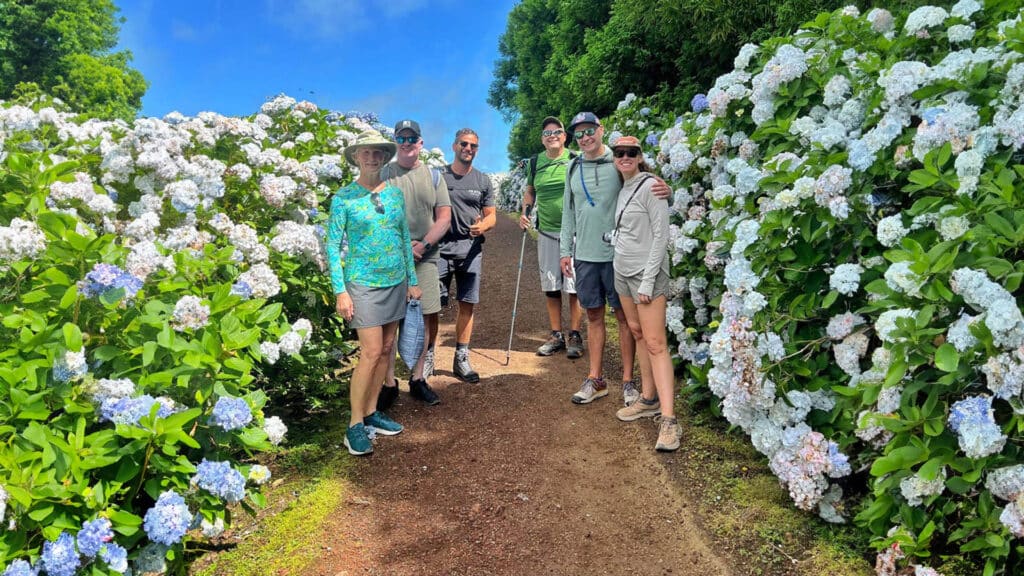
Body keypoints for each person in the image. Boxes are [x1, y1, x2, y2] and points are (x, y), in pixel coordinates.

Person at [559, 112, 671, 406]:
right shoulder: (573, 167)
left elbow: (645, 185)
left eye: (590, 131)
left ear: (601, 130)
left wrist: (667, 191)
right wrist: (564, 251)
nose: (585, 138)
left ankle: (628, 381)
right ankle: (596, 379)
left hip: (618, 257)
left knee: (624, 319)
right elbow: (568, 213)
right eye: (579, 133)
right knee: (593, 315)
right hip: (584, 255)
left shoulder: (618, 160)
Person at [327, 129, 421, 456]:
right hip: (362, 283)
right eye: (365, 153)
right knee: (369, 352)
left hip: (395, 281)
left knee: (386, 349)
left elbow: (403, 239)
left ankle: (371, 413)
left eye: (378, 153)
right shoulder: (344, 198)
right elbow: (332, 246)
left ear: (384, 157)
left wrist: (412, 280)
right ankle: (354, 424)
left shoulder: (395, 195)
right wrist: (341, 291)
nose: (372, 158)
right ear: (356, 157)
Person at [606, 136, 682, 452]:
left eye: (630, 153)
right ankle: (648, 398)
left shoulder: (651, 185)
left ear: (640, 156)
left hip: (646, 275)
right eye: (619, 152)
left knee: (655, 343)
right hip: (622, 273)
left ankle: (669, 421)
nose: (624, 157)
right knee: (637, 334)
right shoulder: (622, 187)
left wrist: (649, 282)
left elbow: (661, 237)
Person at [377, 119, 452, 408]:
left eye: (412, 139)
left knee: (423, 317)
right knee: (389, 322)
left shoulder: (434, 176)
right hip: (392, 258)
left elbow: (443, 217)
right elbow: (376, 215)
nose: (407, 144)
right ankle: (389, 383)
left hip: (426, 256)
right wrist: (401, 247)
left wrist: (423, 245)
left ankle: (418, 378)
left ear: (420, 143)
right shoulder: (384, 174)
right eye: (402, 139)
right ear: (396, 142)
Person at [518, 116, 584, 359]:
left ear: (565, 136)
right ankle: (556, 334)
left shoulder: (576, 159)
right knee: (551, 284)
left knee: (574, 284)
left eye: (557, 131)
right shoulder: (535, 163)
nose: (552, 135)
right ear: (542, 140)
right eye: (547, 133)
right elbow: (530, 191)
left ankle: (575, 334)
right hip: (546, 230)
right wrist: (525, 213)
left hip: (575, 233)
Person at [438, 128, 496, 383]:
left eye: (473, 146)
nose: (468, 149)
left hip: (470, 250)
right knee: (431, 308)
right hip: (439, 250)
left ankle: (461, 356)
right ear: (454, 146)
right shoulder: (438, 176)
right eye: (464, 144)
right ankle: (427, 355)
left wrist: (483, 226)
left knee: (467, 304)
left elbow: (491, 214)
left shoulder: (482, 181)